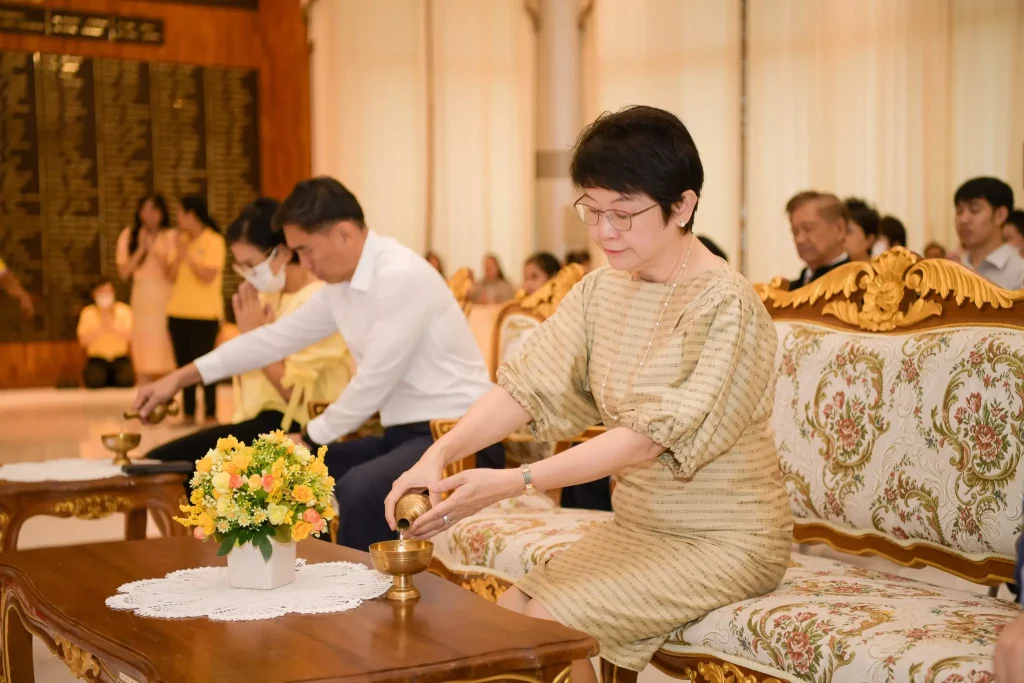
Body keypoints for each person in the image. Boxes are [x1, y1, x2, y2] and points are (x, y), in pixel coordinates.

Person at [386, 106, 791, 683]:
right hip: (639, 527)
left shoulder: (725, 304)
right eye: (593, 211)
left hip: (728, 538)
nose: (604, 233)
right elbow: (525, 387)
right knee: (511, 619)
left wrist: (513, 482)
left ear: (683, 205)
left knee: (550, 628)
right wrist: (438, 454)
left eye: (624, 215)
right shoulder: (603, 289)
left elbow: (646, 441)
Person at [133, 177, 504, 550]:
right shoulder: (341, 288)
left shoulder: (399, 276)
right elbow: (271, 340)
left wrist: (309, 436)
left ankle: (361, 604)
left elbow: (374, 381)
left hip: (457, 436)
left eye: (305, 249)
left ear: (344, 234)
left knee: (358, 487)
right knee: (283, 475)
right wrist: (178, 379)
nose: (302, 262)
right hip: (403, 435)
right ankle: (305, 588)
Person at [147, 198, 353, 463]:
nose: (247, 275)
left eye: (250, 264)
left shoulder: (317, 302)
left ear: (282, 252)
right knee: (159, 462)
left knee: (170, 464)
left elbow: (295, 397)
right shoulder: (267, 298)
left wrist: (256, 338)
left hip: (298, 426)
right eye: (240, 266)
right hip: (257, 421)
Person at [165, 196, 226, 423]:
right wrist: (177, 254)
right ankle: (188, 413)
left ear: (191, 215)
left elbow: (208, 276)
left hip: (205, 314)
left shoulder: (214, 240)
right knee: (183, 365)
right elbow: (169, 276)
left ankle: (210, 413)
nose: (178, 220)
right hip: (177, 312)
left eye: (180, 214)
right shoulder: (180, 240)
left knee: (206, 365)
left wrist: (187, 254)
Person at [116, 194, 176, 382]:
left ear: (162, 212)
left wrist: (155, 249)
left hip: (165, 297)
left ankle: (168, 396)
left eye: (154, 209)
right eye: (145, 209)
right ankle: (144, 393)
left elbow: (172, 273)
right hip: (142, 297)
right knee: (143, 347)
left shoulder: (171, 236)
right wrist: (141, 248)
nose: (149, 215)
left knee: (166, 348)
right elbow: (124, 272)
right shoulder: (129, 235)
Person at [954, 177, 1024, 290]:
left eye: (974, 210)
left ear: (1000, 215)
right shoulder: (953, 268)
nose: (963, 219)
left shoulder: (1019, 272)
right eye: (959, 211)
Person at [78, 279, 135, 389]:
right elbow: (83, 341)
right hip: (97, 359)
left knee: (126, 382)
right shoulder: (88, 312)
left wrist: (111, 325)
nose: (105, 296)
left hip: (120, 358)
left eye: (108, 292)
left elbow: (130, 337)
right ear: (94, 294)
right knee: (94, 382)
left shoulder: (124, 310)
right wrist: (101, 327)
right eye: (102, 292)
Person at [787, 191, 850, 287]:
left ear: (839, 228)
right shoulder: (787, 291)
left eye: (808, 229)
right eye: (795, 232)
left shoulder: (861, 284)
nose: (800, 239)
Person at [844, 198, 881, 262]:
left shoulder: (880, 270)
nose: (842, 237)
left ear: (869, 240)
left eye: (849, 231)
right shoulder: (835, 269)